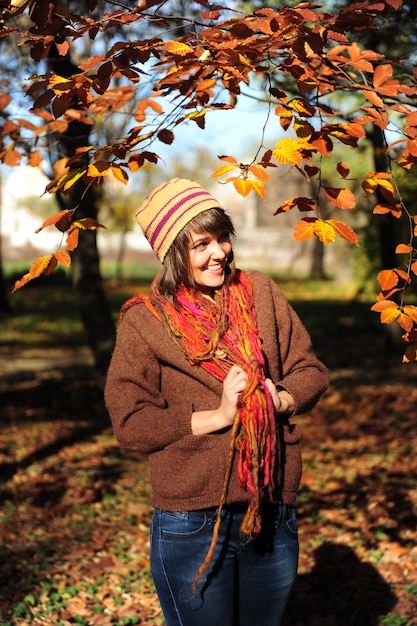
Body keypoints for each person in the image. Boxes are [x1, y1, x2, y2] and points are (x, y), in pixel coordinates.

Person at [105, 177, 330, 626]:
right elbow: (131, 423)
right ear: (172, 255)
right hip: (191, 521)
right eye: (200, 244)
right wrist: (219, 415)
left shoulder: (260, 291)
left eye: (222, 237)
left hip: (270, 506)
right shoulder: (143, 321)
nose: (219, 253)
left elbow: (311, 371)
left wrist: (280, 399)